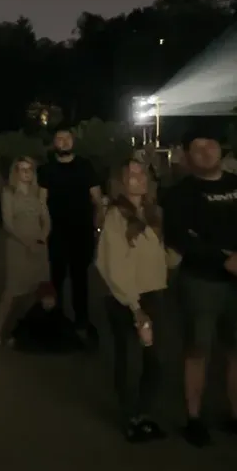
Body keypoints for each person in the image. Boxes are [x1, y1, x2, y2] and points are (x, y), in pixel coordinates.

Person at [163, 130, 237, 448]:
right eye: (197, 148)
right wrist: (224, 260)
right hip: (201, 283)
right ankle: (194, 418)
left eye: (211, 145)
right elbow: (179, 236)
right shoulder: (181, 193)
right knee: (198, 349)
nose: (206, 152)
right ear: (187, 156)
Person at [97, 159, 168, 442]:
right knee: (129, 358)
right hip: (127, 298)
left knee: (153, 358)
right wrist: (135, 306)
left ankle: (144, 413)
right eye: (131, 174)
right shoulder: (117, 216)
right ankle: (130, 416)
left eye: (142, 172)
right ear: (121, 182)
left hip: (153, 293)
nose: (139, 178)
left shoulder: (152, 213)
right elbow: (112, 264)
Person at [38, 126, 104, 343]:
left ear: (73, 142)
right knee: (55, 278)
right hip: (55, 233)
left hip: (81, 232)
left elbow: (96, 199)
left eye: (67, 138)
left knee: (80, 279)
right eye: (59, 138)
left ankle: (81, 321)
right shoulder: (46, 169)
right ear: (54, 143)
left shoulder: (85, 166)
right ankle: (55, 321)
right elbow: (41, 202)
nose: (63, 142)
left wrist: (98, 229)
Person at [0, 157, 52, 344]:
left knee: (36, 290)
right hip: (18, 245)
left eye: (29, 169)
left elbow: (46, 218)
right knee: (12, 291)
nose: (26, 173)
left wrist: (42, 237)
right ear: (15, 172)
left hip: (38, 244)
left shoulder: (39, 193)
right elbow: (8, 223)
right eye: (22, 169)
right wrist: (27, 242)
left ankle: (21, 332)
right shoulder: (8, 192)